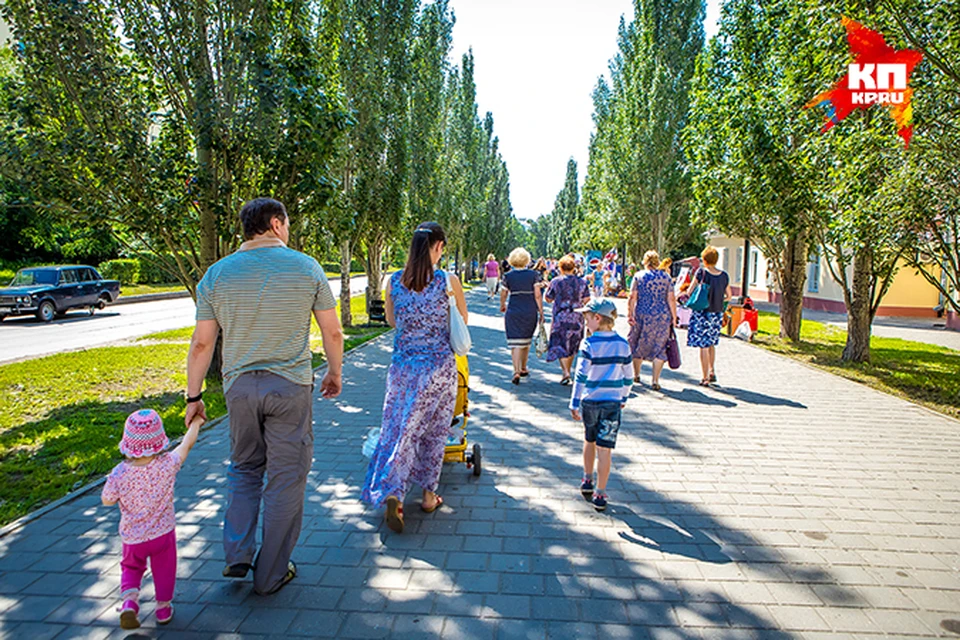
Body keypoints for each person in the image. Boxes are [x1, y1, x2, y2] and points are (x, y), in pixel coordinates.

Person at [185, 197, 344, 595]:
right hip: (289, 386)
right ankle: (271, 573)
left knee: (244, 468)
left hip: (239, 388)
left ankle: (237, 553)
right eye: (287, 223)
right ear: (276, 224)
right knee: (286, 478)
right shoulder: (307, 267)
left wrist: (194, 397)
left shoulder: (216, 275)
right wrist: (335, 372)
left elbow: (202, 345)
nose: (288, 231)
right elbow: (333, 332)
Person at [362, 222, 467, 533]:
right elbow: (461, 321)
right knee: (434, 431)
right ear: (437, 246)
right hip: (438, 369)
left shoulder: (394, 281)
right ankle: (428, 496)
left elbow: (393, 322)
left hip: (403, 369)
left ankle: (393, 491)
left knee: (399, 429)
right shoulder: (448, 281)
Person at [102, 410, 204, 629]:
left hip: (133, 537)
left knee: (131, 567)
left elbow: (107, 500)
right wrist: (196, 423)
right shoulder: (167, 464)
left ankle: (130, 602)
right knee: (165, 569)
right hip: (163, 534)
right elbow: (185, 446)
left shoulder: (119, 473)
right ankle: (163, 608)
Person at [568, 299, 632, 512]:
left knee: (589, 438)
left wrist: (574, 401)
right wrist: (623, 397)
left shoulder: (588, 344)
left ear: (597, 318)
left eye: (587, 318)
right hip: (612, 403)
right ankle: (601, 492)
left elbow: (580, 375)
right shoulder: (623, 344)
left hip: (590, 401)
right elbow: (629, 376)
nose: (585, 323)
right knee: (605, 449)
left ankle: (587, 479)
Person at [628, 250, 678, 390]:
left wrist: (630, 314)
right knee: (660, 346)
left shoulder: (638, 276)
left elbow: (632, 297)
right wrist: (674, 317)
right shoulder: (666, 277)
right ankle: (655, 380)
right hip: (662, 316)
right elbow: (671, 299)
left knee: (638, 343)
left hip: (642, 314)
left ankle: (636, 375)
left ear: (645, 261)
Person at [686, 246, 732, 386]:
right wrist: (718, 300)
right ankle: (712, 371)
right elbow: (729, 296)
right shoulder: (724, 276)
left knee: (703, 346)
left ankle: (705, 377)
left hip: (702, 313)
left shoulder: (701, 273)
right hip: (716, 313)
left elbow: (689, 291)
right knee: (711, 343)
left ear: (704, 260)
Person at [544, 255, 591, 385]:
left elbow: (548, 298)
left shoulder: (556, 281)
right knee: (573, 344)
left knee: (560, 343)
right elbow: (587, 300)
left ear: (561, 268)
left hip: (561, 317)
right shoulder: (582, 282)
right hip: (577, 317)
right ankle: (568, 371)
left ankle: (565, 372)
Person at [500, 247, 543, 385]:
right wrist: (541, 311)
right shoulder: (533, 275)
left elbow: (504, 293)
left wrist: (502, 304)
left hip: (514, 310)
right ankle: (524, 367)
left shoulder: (508, 276)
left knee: (515, 342)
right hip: (529, 310)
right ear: (527, 259)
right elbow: (537, 294)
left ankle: (516, 370)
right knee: (526, 340)